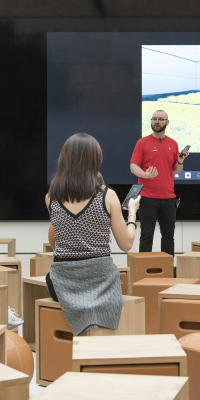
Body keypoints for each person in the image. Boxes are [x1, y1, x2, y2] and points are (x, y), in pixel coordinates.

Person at [45, 133, 141, 335]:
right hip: (101, 284)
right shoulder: (108, 195)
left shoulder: (51, 197)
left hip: (61, 285)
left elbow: (54, 239)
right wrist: (132, 213)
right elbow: (126, 244)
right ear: (95, 161)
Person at [129, 109, 188, 255]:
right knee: (146, 236)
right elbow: (133, 166)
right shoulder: (142, 142)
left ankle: (167, 271)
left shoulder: (173, 144)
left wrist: (180, 161)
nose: (157, 121)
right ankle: (143, 271)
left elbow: (176, 170)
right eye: (154, 119)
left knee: (168, 237)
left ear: (167, 122)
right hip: (147, 197)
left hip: (168, 198)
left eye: (161, 119)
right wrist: (144, 174)